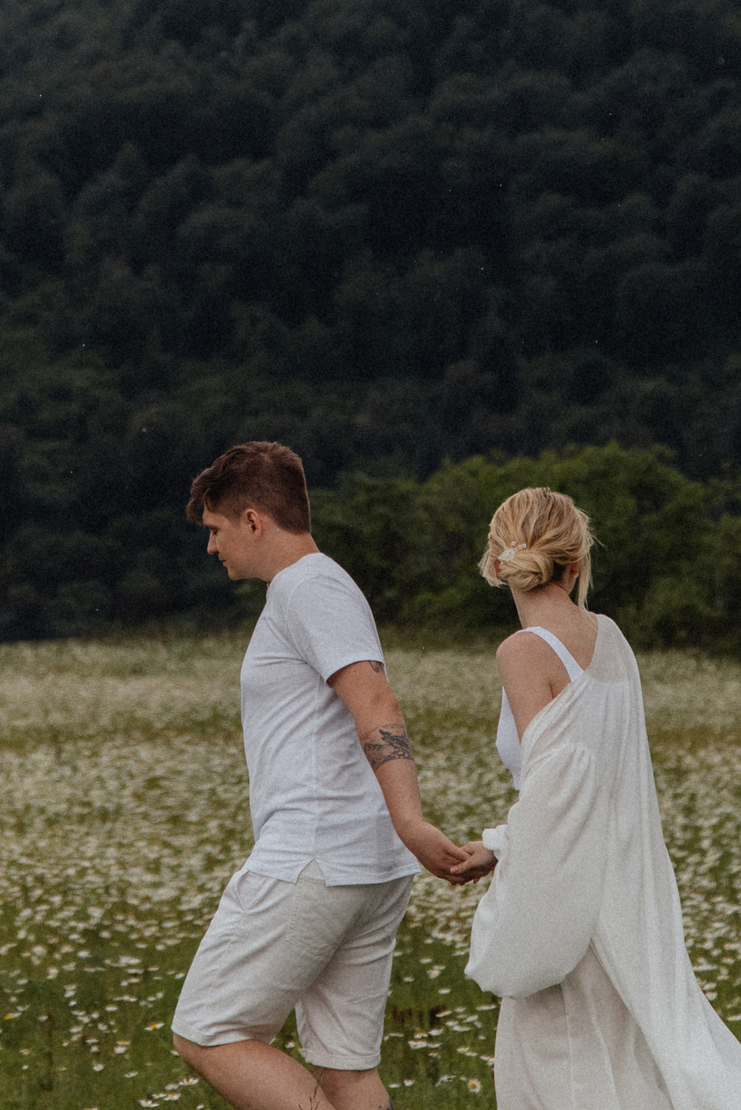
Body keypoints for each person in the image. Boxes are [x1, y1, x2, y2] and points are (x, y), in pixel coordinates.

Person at [455, 487, 741, 1110]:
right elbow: (594, 773)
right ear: (575, 562)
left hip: (569, 899)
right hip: (634, 895)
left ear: (497, 561)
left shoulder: (523, 651)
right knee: (633, 1070)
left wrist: (500, 849)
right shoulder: (608, 637)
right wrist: (503, 846)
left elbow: (555, 786)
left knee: (556, 1079)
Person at [171, 440, 474, 1110]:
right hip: (361, 864)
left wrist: (411, 820)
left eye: (216, 530)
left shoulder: (307, 586)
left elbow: (375, 700)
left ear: (254, 519)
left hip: (315, 854)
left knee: (207, 1031)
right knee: (346, 1069)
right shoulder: (321, 586)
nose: (211, 548)